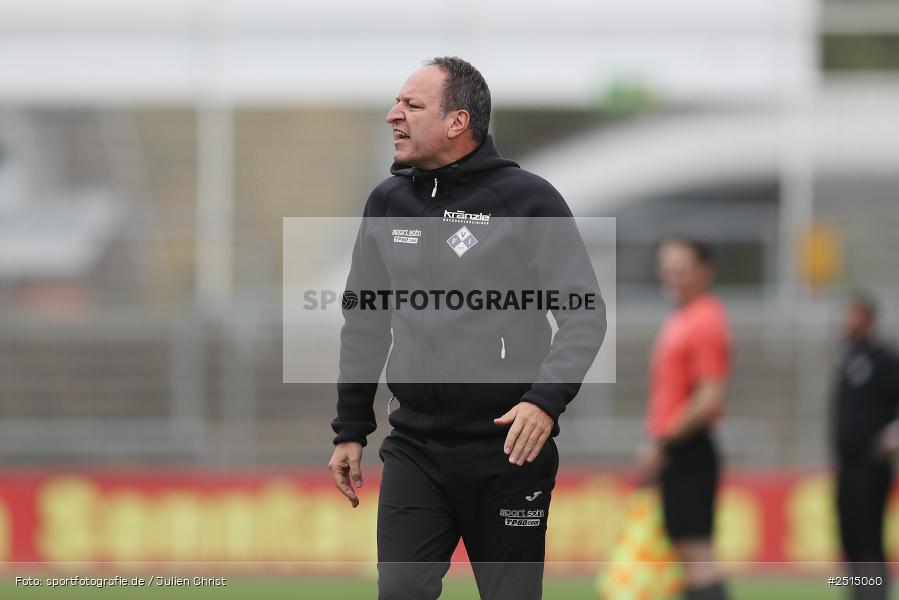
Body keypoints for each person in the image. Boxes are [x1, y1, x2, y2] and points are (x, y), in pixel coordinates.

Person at [326, 57, 606, 600]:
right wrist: (349, 428)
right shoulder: (388, 202)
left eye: (412, 105)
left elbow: (583, 313)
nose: (393, 115)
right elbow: (364, 320)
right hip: (414, 450)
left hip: (508, 453)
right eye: (396, 103)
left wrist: (544, 400)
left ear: (457, 122)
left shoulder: (528, 200)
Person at [635, 238, 730, 600]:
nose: (671, 276)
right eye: (667, 268)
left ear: (704, 272)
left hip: (687, 447)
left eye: (681, 270)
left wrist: (662, 443)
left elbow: (709, 397)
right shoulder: (683, 316)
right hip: (678, 446)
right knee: (686, 554)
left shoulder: (705, 319)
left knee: (697, 555)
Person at [831, 292, 899, 600]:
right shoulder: (847, 357)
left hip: (871, 465)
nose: (847, 323)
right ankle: (857, 593)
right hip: (845, 465)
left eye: (853, 315)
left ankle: (875, 594)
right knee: (850, 535)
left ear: (868, 319)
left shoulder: (885, 359)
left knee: (869, 535)